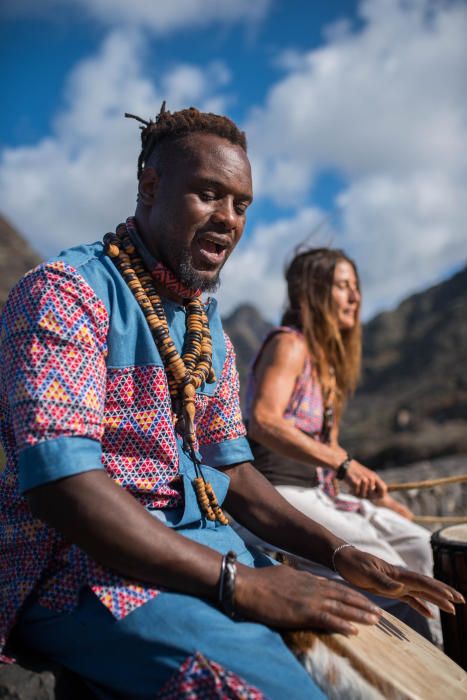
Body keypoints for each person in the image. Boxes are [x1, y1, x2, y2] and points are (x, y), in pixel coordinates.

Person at [0, 107, 461, 700]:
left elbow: (233, 470)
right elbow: (64, 486)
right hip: (85, 574)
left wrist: (338, 551)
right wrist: (239, 584)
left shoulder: (206, 329)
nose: (228, 219)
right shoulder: (64, 293)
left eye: (241, 204)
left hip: (208, 552)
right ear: (149, 185)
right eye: (208, 195)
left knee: (388, 645)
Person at [246, 247, 435, 580]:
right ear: (313, 293)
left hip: (320, 492)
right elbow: (264, 421)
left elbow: (330, 449)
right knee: (389, 573)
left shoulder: (328, 368)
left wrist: (382, 501)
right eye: (343, 286)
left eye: (356, 287)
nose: (355, 297)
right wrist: (345, 465)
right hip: (279, 492)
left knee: (425, 548)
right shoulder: (289, 345)